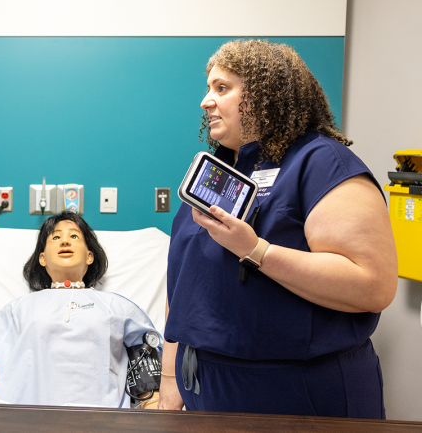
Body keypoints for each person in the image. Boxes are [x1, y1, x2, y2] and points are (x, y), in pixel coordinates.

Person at [158, 39, 397, 418]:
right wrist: (170, 377)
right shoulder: (221, 171)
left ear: (265, 92)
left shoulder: (322, 162)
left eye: (222, 88)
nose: (206, 101)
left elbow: (373, 286)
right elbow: (183, 279)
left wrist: (256, 251)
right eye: (208, 88)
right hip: (204, 385)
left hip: (298, 392)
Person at [0, 212, 160, 408]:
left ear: (89, 256)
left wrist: (154, 411)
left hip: (101, 419)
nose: (65, 241)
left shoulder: (116, 306)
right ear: (42, 258)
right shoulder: (17, 309)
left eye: (74, 236)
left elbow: (146, 364)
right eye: (56, 237)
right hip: (23, 419)